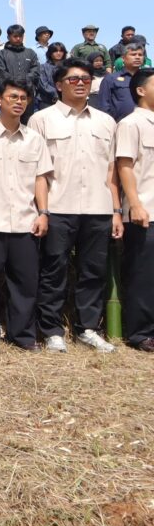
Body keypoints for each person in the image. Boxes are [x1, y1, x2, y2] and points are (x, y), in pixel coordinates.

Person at [28, 58, 122, 353]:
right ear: (58, 85)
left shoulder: (106, 121)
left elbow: (111, 171)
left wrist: (116, 211)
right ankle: (53, 330)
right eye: (73, 79)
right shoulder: (42, 120)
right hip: (58, 205)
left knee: (92, 271)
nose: (81, 83)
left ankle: (87, 328)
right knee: (54, 270)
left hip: (98, 207)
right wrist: (41, 210)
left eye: (85, 78)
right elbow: (38, 171)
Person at [0, 78, 53, 352]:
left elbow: (41, 178)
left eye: (24, 98)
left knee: (25, 283)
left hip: (26, 221)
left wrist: (43, 213)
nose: (19, 102)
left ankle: (23, 335)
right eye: (13, 96)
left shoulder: (34, 139)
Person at [115, 67, 154, 352]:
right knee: (143, 275)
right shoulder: (131, 123)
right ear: (140, 90)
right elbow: (124, 165)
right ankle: (141, 333)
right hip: (144, 212)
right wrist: (135, 204)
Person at [96, 43, 144, 121]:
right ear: (123, 58)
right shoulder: (110, 78)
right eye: (133, 54)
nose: (137, 57)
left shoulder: (147, 79)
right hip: (119, 125)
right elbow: (103, 105)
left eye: (140, 55)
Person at [36, 42, 67, 111]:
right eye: (55, 51)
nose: (58, 53)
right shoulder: (43, 67)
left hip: (66, 100)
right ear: (50, 52)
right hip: (46, 101)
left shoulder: (68, 67)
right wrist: (56, 94)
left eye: (61, 51)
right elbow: (43, 84)